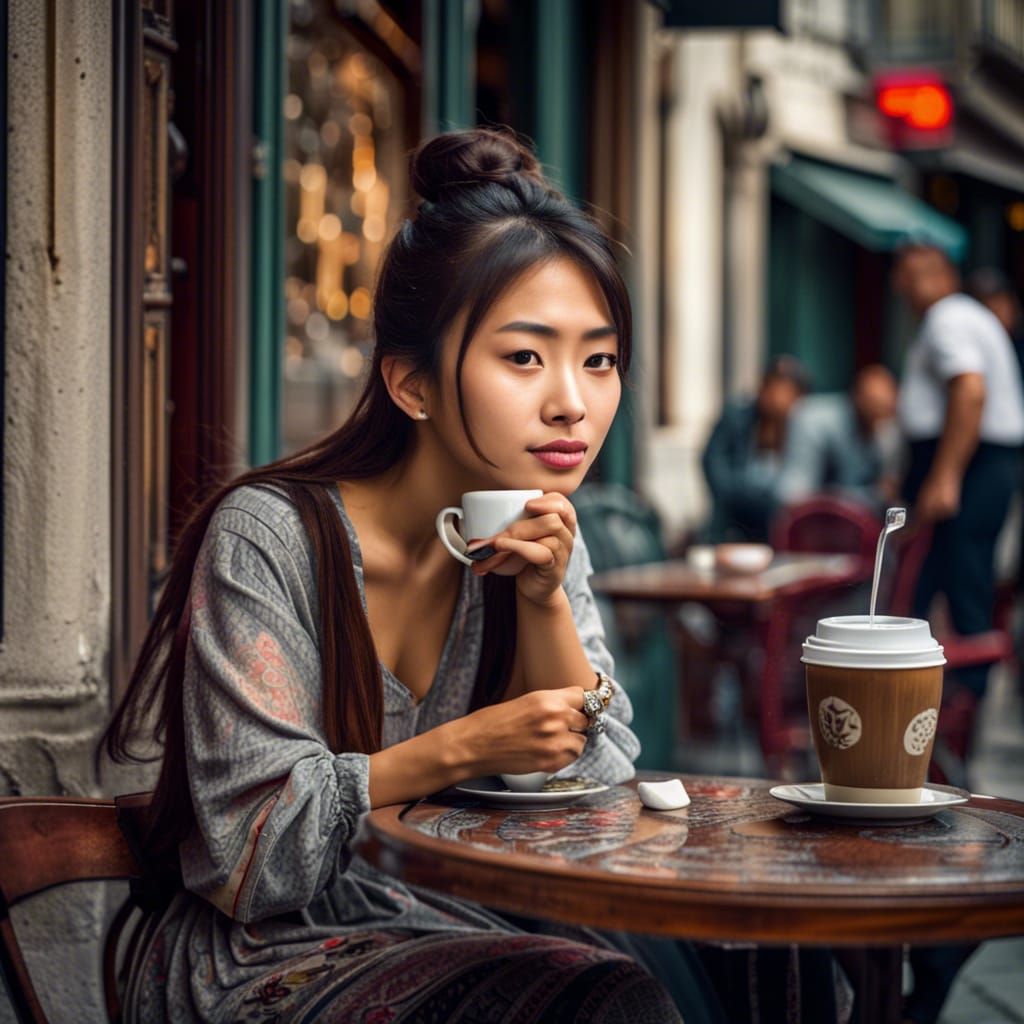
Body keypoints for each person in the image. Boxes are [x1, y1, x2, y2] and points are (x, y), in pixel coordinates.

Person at [102, 128, 722, 1024]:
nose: (573, 402)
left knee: (739, 962)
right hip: (261, 959)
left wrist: (543, 601)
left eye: (600, 358)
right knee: (605, 999)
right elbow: (249, 852)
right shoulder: (270, 537)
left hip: (455, 919)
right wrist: (463, 747)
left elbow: (596, 803)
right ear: (412, 384)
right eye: (524, 356)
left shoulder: (544, 534)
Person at [894, 243, 1024, 700]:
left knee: (961, 591)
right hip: (973, 465)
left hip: (971, 469)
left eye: (917, 273)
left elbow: (969, 390)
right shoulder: (960, 317)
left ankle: (952, 722)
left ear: (944, 275)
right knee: (932, 590)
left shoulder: (948, 318)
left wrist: (945, 475)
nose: (907, 286)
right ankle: (928, 715)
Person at [701, 355, 811, 542]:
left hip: (781, 528)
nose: (776, 397)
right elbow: (714, 466)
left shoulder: (806, 429)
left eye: (785, 390)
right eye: (771, 386)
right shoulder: (736, 417)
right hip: (734, 522)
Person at [776, 364, 900, 510]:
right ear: (856, 397)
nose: (880, 416)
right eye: (874, 404)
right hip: (810, 522)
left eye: (886, 409)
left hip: (854, 521)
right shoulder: (813, 419)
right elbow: (793, 497)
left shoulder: (889, 431)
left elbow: (889, 493)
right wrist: (872, 495)